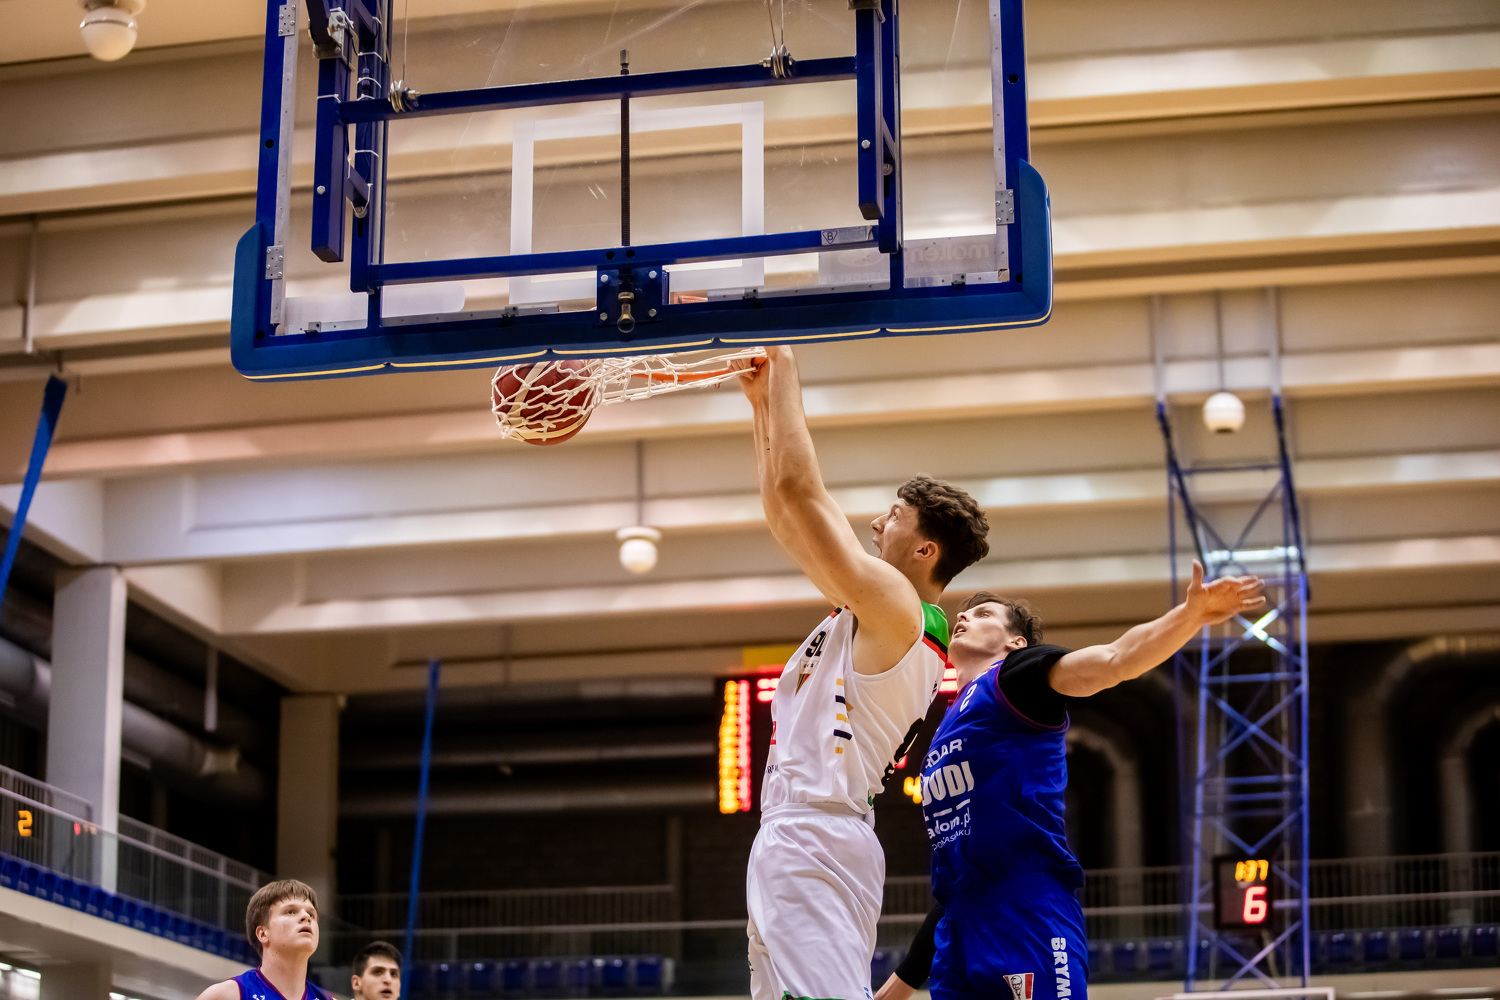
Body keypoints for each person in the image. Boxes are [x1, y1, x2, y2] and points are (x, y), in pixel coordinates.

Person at [874, 562, 1264, 1000]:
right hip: (958, 926)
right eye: (965, 612)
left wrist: (1189, 616)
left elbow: (1115, 660)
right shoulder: (946, 722)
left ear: (1015, 642)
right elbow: (957, 887)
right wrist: (899, 985)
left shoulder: (1015, 678)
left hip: (1026, 911)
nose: (963, 616)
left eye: (984, 614)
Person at [734, 347, 992, 1000]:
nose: (877, 522)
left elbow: (801, 494)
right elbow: (785, 516)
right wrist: (761, 407)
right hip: (795, 833)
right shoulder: (871, 610)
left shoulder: (902, 610)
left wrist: (784, 369)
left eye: (894, 516)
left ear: (925, 549)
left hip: (817, 836)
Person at [194, 879, 334, 1000]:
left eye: (311, 914)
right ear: (262, 934)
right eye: (290, 911)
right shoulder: (226, 995)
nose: (306, 917)